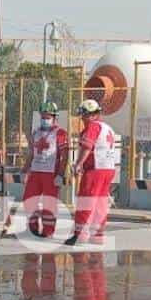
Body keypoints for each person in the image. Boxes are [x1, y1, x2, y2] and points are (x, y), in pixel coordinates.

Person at [64, 99, 117, 246]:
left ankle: (79, 235)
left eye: (84, 115)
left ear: (92, 115)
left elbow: (87, 147)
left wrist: (78, 164)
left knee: (86, 200)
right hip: (108, 169)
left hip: (95, 170)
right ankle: (97, 235)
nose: (82, 119)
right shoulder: (107, 128)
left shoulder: (93, 126)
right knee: (100, 202)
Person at [22, 101, 69, 238]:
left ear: (54, 118)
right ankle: (33, 228)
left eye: (48, 117)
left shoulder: (60, 133)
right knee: (29, 200)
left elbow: (64, 156)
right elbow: (31, 153)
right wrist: (25, 170)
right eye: (43, 116)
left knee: (49, 203)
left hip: (51, 173)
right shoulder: (36, 132)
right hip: (35, 172)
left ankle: (48, 231)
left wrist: (60, 174)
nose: (44, 119)